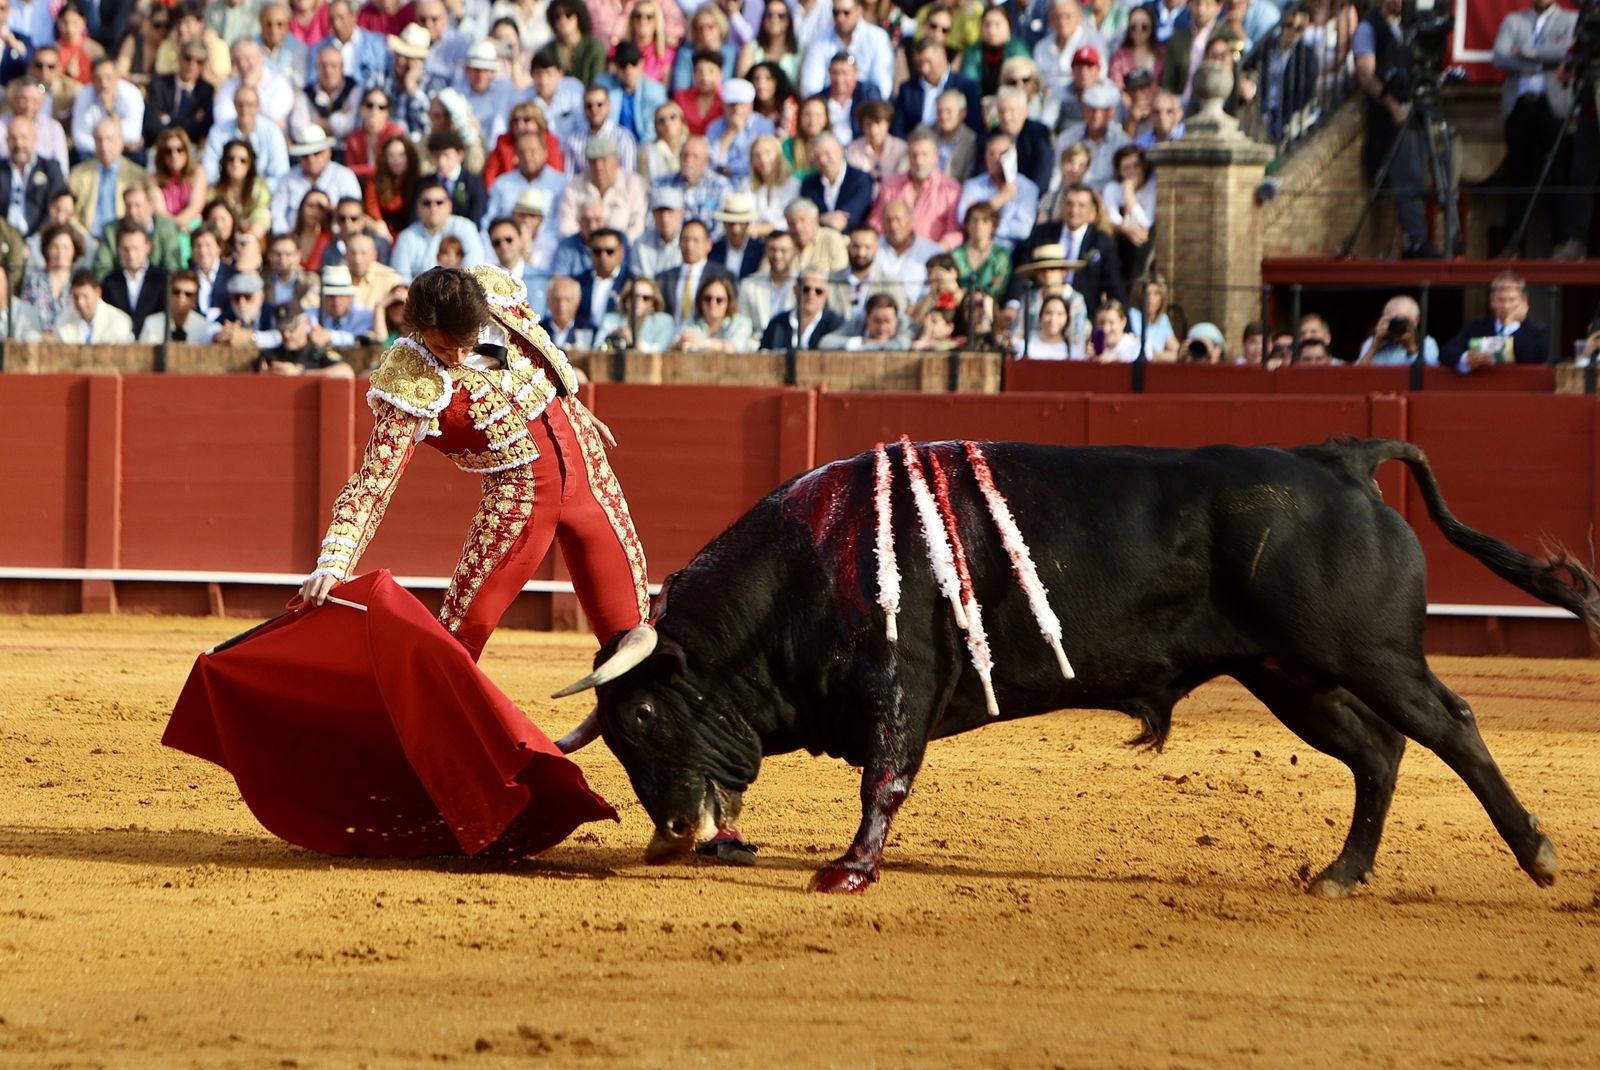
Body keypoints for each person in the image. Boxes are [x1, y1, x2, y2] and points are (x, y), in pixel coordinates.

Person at [1353, 0, 1440, 258]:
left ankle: (1420, 237)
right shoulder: (1368, 28)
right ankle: (1414, 239)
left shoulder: (1411, 27)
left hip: (1417, 112)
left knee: (1424, 173)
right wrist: (1391, 105)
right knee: (1406, 176)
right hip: (1389, 119)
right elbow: (1366, 74)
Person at [1493, 0, 1579, 258]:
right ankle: (1512, 246)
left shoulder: (1571, 19)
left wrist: (1526, 52)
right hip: (1519, 107)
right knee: (1518, 176)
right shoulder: (1513, 20)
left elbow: (1568, 51)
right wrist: (1544, 60)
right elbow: (1500, 56)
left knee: (1558, 174)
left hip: (1554, 107)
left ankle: (1561, 244)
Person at [1439, 272, 1551, 373]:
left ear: (1524, 300)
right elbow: (1447, 351)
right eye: (1500, 300)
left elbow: (1534, 357)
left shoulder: (1537, 330)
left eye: (1512, 300)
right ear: (1491, 301)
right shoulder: (1477, 326)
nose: (1506, 306)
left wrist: (1511, 325)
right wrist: (1466, 358)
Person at [390, 178, 488, 279]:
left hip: (459, 291)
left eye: (439, 202)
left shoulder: (465, 228)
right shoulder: (406, 237)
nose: (433, 208)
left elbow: (474, 269)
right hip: (418, 293)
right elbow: (400, 278)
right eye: (427, 203)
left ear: (449, 206)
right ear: (418, 208)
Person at [958, 133, 1039, 248]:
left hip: (1009, 252)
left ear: (1013, 156)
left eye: (1002, 154)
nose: (996, 158)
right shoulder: (973, 185)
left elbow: (1023, 230)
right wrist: (1000, 199)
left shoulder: (1028, 188)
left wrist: (981, 222)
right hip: (973, 247)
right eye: (991, 153)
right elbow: (962, 217)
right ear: (985, 157)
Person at [202, 85, 291, 185]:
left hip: (262, 195)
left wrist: (254, 190)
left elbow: (281, 175)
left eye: (250, 104)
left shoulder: (272, 132)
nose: (244, 109)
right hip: (225, 192)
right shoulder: (218, 132)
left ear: (258, 107)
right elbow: (209, 171)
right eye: (240, 104)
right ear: (234, 106)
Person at [655, 218, 735, 322]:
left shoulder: (722, 276)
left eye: (695, 241)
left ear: (708, 245)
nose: (689, 245)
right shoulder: (663, 278)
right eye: (685, 240)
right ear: (679, 243)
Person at [100, 220, 168, 336]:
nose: (131, 255)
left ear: (148, 247)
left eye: (136, 248)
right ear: (118, 249)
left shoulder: (162, 280)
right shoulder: (110, 282)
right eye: (125, 249)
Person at [0, 117, 65, 237]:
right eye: (13, 138)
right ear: (7, 141)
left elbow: (57, 206)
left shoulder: (50, 168)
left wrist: (38, 239)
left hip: (40, 238)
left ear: (35, 139)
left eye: (24, 137)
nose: (19, 144)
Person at [144, 42, 216, 149]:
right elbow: (151, 125)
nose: (192, 64)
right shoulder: (160, 84)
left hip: (192, 149)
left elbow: (202, 129)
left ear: (203, 66)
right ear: (179, 58)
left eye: (199, 62)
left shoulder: (207, 91)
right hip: (161, 146)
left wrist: (169, 119)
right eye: (188, 58)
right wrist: (189, 123)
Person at [759, 266, 845, 350]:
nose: (811, 295)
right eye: (806, 289)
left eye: (818, 291)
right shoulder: (777, 323)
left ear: (826, 294)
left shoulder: (836, 326)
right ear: (796, 289)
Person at [20, 223, 80, 335]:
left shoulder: (80, 282)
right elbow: (24, 315)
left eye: (65, 247)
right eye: (55, 247)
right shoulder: (34, 281)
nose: (61, 253)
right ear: (47, 250)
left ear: (74, 250)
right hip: (36, 343)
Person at [674, 273, 755, 351]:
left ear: (729, 302)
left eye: (719, 300)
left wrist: (705, 343)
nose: (713, 303)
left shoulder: (741, 322)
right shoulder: (691, 320)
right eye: (708, 298)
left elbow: (735, 348)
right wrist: (680, 344)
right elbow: (673, 344)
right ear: (700, 301)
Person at [739, 134, 799, 237]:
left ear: (779, 155)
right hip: (754, 240)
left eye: (768, 153)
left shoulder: (793, 184)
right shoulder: (747, 184)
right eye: (757, 155)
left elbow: (792, 218)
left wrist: (767, 229)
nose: (763, 159)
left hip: (785, 239)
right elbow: (745, 217)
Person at [739, 226, 798, 328]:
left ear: (794, 252)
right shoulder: (749, 285)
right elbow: (743, 324)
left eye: (783, 251)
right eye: (772, 249)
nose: (777, 256)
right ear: (766, 250)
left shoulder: (803, 285)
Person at [1356, 294, 1439, 366]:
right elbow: (1359, 377)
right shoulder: (1371, 342)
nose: (1395, 326)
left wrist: (1411, 347)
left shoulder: (1427, 344)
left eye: (1401, 321)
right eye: (1391, 321)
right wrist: (1374, 346)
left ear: (1415, 321)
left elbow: (1427, 377)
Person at [598, 275, 676, 351]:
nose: (639, 301)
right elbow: (596, 348)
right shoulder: (609, 321)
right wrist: (612, 337)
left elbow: (660, 350)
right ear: (625, 299)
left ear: (653, 303)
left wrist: (633, 341)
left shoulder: (664, 322)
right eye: (634, 296)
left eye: (646, 298)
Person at [55, 267, 134, 343]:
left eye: (85, 296)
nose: (80, 303)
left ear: (97, 293)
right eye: (76, 297)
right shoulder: (63, 322)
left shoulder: (119, 322)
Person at [367, 135, 421, 240]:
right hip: (384, 234)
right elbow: (372, 208)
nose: (396, 160)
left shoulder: (418, 182)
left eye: (401, 155)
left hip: (412, 235)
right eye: (391, 155)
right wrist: (381, 227)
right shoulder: (375, 182)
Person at [139, 269, 214, 343]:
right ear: (168, 293)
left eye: (188, 294)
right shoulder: (151, 324)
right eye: (176, 292)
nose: (181, 297)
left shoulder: (204, 328)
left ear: (195, 298)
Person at [708, 192, 766, 278]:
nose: (736, 229)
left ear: (747, 224)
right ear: (724, 224)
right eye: (731, 223)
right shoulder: (714, 250)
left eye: (741, 223)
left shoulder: (760, 250)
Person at [1016, 291, 1073, 359]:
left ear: (1067, 319)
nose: (1053, 319)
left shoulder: (1074, 351)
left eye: (1060, 314)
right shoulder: (1022, 347)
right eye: (1048, 313)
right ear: (1040, 317)